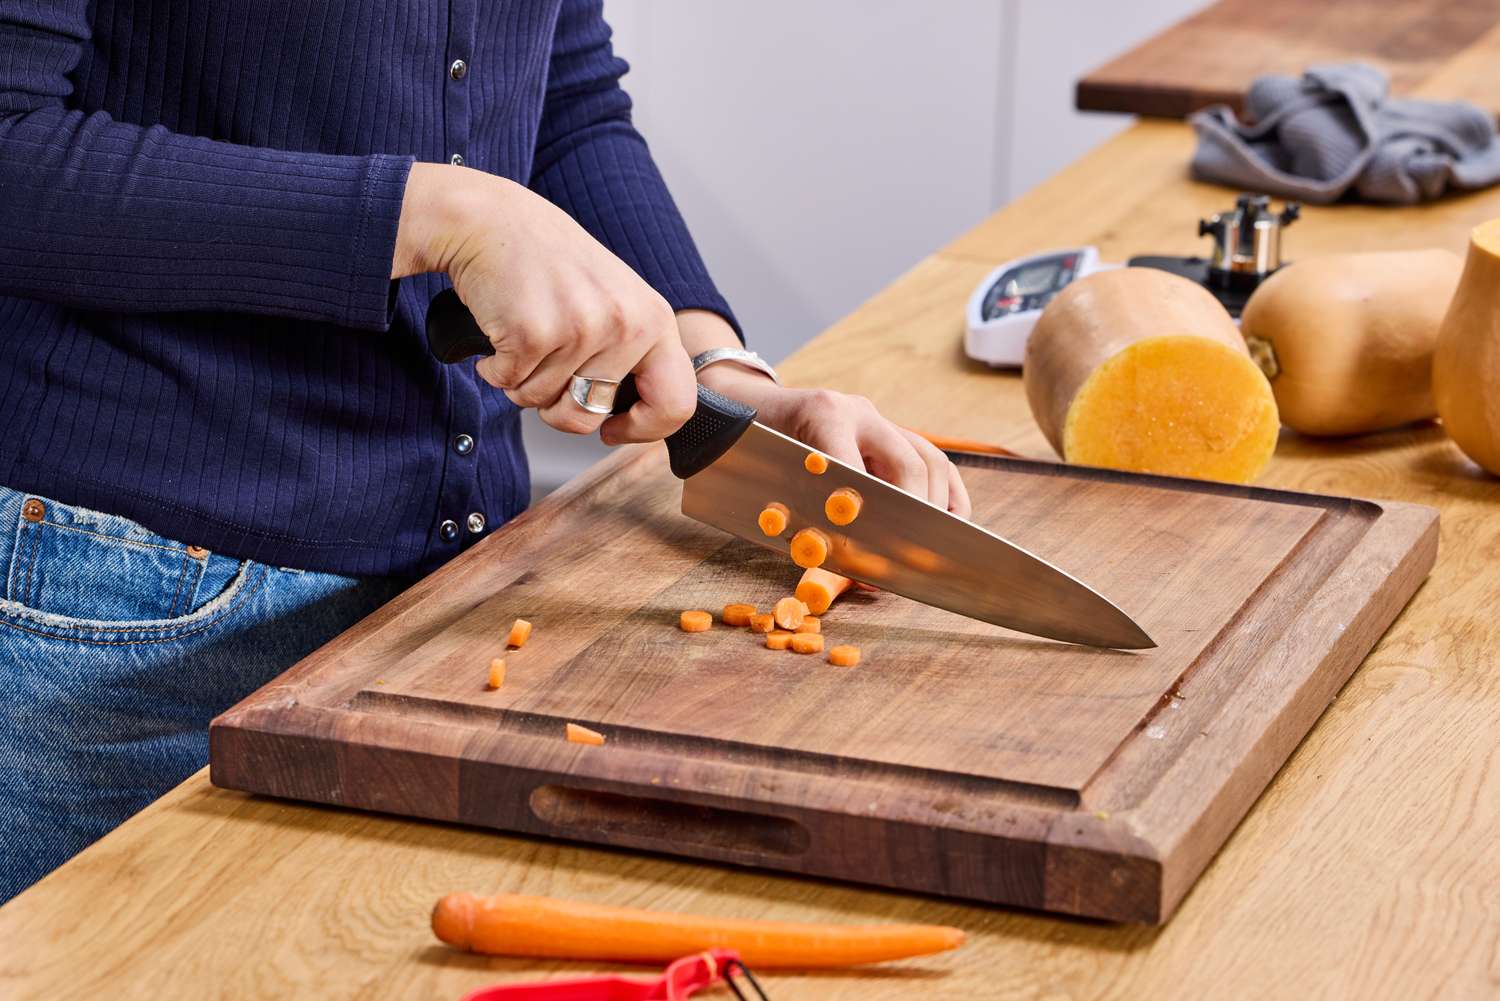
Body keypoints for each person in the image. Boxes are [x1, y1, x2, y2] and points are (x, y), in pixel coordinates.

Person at [0, 0, 970, 903]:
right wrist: (432, 214)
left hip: (451, 600)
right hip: (119, 617)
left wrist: (720, 373)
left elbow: (565, 99)